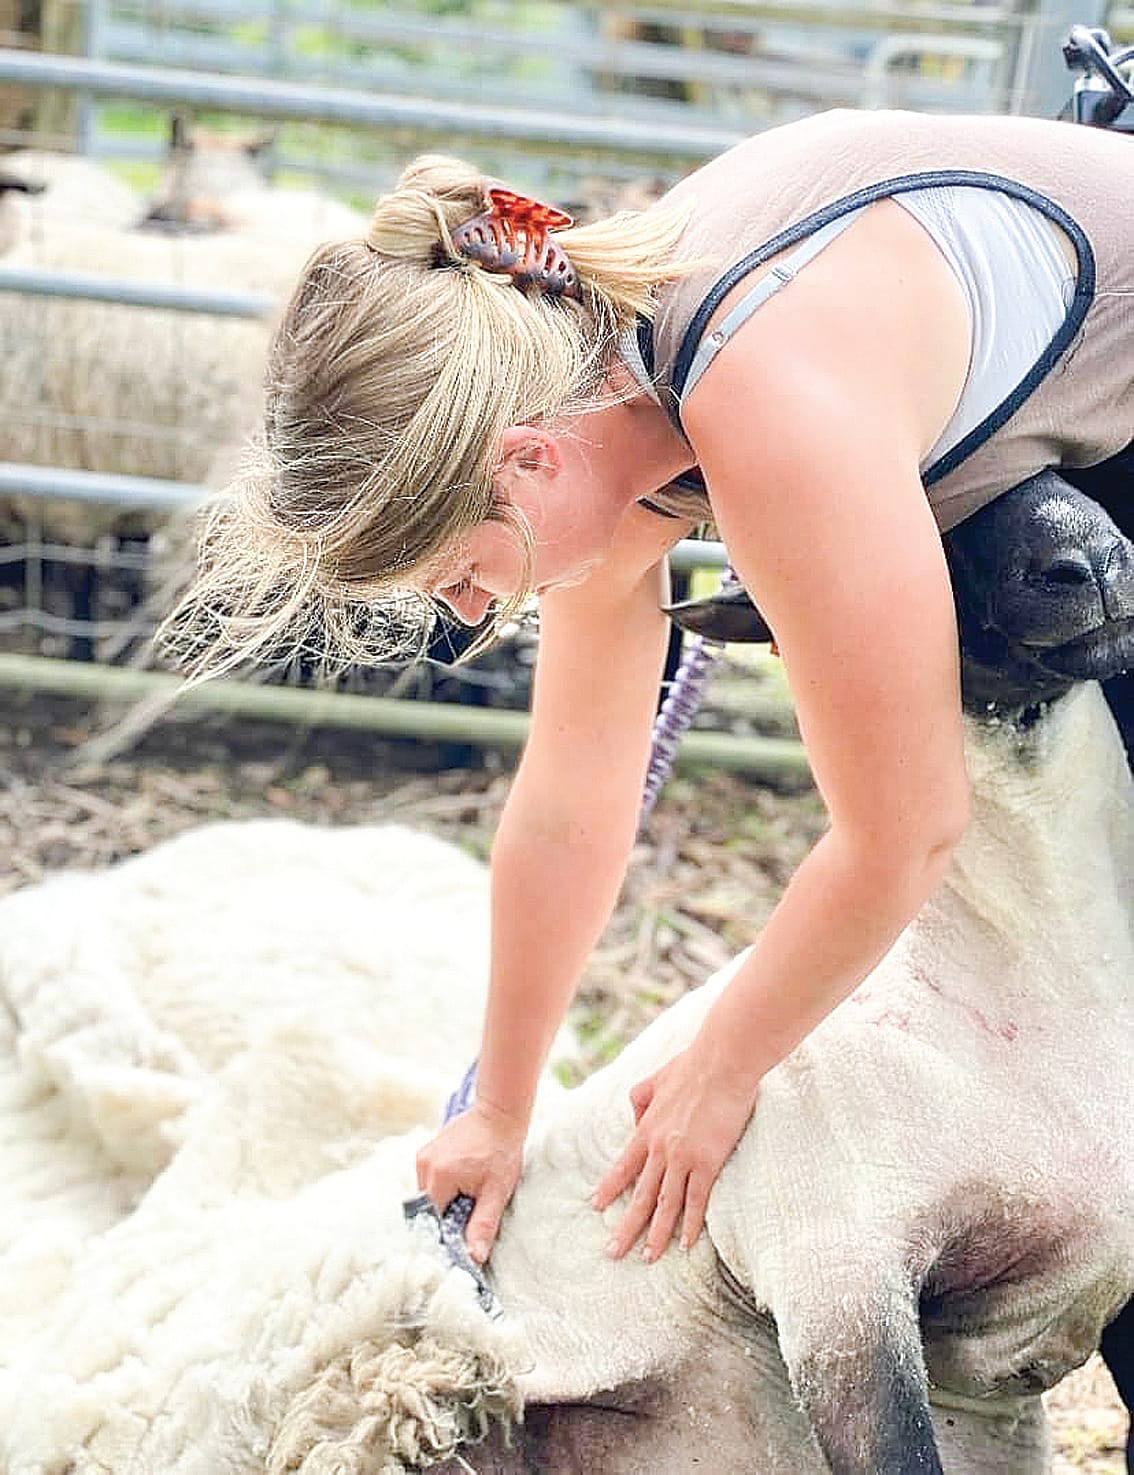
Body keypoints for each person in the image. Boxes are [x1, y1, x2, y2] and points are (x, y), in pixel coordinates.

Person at [166, 106, 1133, 1427]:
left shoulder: (760, 395)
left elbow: (902, 827)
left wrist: (720, 1071)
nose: (469, 612)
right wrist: (496, 1111)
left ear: (523, 460)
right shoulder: (609, 406)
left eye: (457, 575)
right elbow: (569, 808)